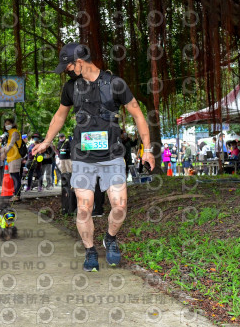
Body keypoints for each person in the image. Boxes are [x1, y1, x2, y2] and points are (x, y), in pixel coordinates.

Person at [31, 42, 155, 272]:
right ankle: (90, 251)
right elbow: (60, 116)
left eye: (68, 66)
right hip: (83, 158)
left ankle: (110, 238)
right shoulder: (70, 88)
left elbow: (137, 113)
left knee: (120, 206)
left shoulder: (115, 83)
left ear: (79, 62)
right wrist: (46, 142)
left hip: (113, 156)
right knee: (84, 208)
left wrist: (147, 149)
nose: (66, 71)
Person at [0, 118, 24, 202]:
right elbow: (7, 146)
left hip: (15, 157)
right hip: (11, 157)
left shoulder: (15, 132)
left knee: (15, 176)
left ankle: (17, 195)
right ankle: (16, 195)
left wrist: (4, 153)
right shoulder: (10, 133)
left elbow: (11, 145)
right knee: (14, 176)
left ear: (12, 124)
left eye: (8, 123)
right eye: (5, 124)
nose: (6, 125)